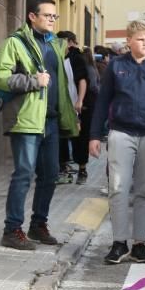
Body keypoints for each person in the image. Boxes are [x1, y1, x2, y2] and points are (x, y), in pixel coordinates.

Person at [0, 0, 79, 250]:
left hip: (50, 121)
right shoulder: (14, 43)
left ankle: (38, 225)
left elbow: (61, 85)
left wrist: (69, 116)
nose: (52, 19)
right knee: (24, 174)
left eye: (55, 16)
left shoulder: (54, 46)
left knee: (50, 175)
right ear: (32, 16)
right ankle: (12, 229)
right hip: (26, 120)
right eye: (48, 15)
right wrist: (32, 81)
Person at [90, 20, 145, 265]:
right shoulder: (116, 66)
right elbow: (102, 101)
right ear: (129, 41)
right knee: (118, 188)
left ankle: (139, 244)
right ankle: (119, 242)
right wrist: (94, 135)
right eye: (141, 39)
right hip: (121, 132)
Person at [55, 31, 88, 184]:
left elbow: (82, 80)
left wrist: (80, 100)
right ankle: (64, 169)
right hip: (61, 104)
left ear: (68, 42)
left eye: (60, 41)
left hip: (77, 103)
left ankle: (82, 169)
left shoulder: (77, 58)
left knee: (79, 137)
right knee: (62, 136)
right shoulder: (57, 57)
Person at [72, 46, 99, 184]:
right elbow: (95, 86)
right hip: (89, 105)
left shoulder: (80, 65)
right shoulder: (92, 67)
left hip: (82, 104)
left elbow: (85, 83)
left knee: (79, 137)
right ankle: (82, 168)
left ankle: (77, 167)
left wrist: (80, 100)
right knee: (82, 136)